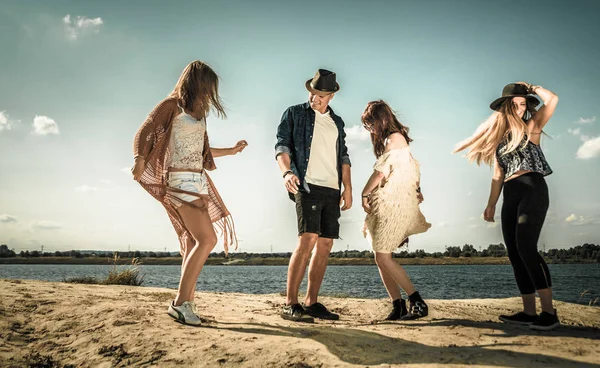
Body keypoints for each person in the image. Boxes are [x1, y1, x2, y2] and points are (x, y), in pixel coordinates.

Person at [132, 60, 247, 326]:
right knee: (207, 240)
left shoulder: (199, 113)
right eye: (207, 87)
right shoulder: (171, 106)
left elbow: (203, 152)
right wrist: (139, 158)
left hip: (198, 181)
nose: (210, 94)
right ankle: (180, 304)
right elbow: (145, 130)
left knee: (192, 243)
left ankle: (187, 303)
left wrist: (230, 150)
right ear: (196, 82)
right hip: (179, 181)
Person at [454, 82, 559, 331]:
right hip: (510, 195)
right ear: (505, 108)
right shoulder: (499, 141)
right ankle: (529, 312)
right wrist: (490, 204)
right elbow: (497, 176)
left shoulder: (532, 128)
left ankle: (549, 313)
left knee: (526, 247)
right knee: (514, 253)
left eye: (524, 104)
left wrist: (533, 88)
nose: (522, 109)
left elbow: (552, 100)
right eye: (516, 104)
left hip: (532, 188)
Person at [275, 69, 352, 322]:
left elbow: (344, 156)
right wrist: (286, 172)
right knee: (307, 238)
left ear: (330, 95)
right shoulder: (295, 113)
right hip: (307, 186)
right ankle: (290, 303)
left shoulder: (337, 122)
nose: (314, 98)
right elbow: (282, 145)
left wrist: (347, 188)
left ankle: (311, 302)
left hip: (332, 188)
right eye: (312, 92)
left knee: (326, 243)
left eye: (320, 95)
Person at [360, 100, 431, 320]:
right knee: (380, 257)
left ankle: (416, 301)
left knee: (383, 257)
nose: (369, 129)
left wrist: (364, 193)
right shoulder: (396, 139)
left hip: (393, 206)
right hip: (389, 204)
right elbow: (411, 170)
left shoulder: (394, 139)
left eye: (370, 124)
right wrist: (417, 189)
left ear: (379, 119)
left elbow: (381, 172)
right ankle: (398, 305)